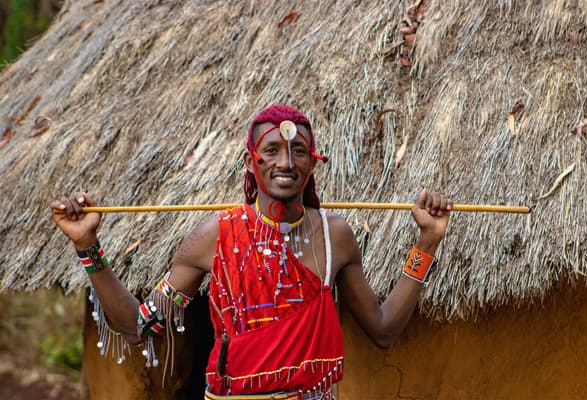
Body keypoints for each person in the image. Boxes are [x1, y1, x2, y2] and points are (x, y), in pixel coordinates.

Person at [51, 104, 452, 400]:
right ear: (250, 160)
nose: (285, 162)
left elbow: (383, 330)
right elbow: (139, 327)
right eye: (272, 149)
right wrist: (87, 246)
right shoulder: (215, 238)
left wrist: (427, 242)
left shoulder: (335, 236)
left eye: (298, 152)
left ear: (312, 162)